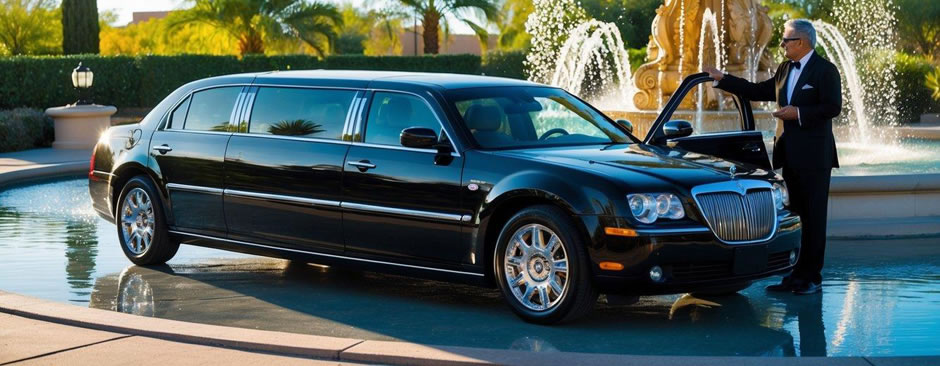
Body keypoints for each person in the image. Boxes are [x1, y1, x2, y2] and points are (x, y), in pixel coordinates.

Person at [704, 19, 841, 295]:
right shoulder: (784, 69)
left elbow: (833, 107)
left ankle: (811, 277)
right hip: (788, 154)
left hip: (815, 158)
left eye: (786, 40)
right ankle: (793, 276)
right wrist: (723, 79)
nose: (782, 45)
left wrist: (798, 114)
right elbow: (757, 91)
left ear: (801, 42)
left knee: (814, 218)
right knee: (796, 217)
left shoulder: (825, 71)